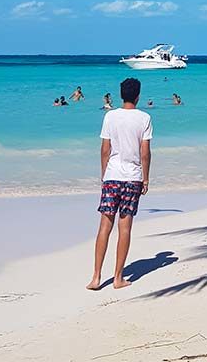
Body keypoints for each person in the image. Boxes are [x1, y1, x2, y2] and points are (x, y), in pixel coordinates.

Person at [87, 78, 152, 291]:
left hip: (112, 176)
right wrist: (146, 178)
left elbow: (105, 149)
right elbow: (145, 152)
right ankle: (118, 278)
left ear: (121, 94)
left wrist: (104, 174)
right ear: (138, 95)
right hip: (132, 177)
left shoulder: (110, 116)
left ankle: (96, 278)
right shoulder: (144, 118)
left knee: (105, 226)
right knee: (125, 228)